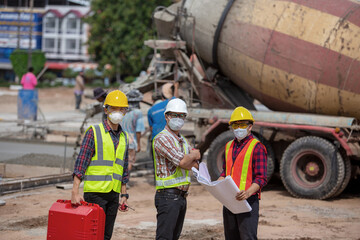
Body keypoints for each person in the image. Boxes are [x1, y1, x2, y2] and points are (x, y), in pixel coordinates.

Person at [71, 90, 130, 240]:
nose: (118, 112)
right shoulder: (94, 132)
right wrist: (75, 191)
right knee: (93, 235)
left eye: (121, 109)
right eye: (114, 108)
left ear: (125, 111)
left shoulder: (124, 137)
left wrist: (124, 194)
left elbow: (123, 168)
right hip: (95, 194)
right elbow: (81, 162)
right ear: (106, 109)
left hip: (113, 193)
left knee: (106, 236)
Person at [153, 98, 201, 240]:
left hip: (181, 197)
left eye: (181, 116)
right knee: (165, 237)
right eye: (174, 115)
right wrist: (193, 154)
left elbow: (195, 165)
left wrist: (190, 159)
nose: (178, 119)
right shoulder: (162, 139)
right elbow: (182, 162)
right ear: (167, 116)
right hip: (167, 196)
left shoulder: (183, 141)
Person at [217, 106, 268, 240]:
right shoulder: (228, 146)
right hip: (230, 201)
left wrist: (248, 192)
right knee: (230, 237)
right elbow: (225, 171)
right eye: (235, 124)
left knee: (247, 237)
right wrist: (219, 181)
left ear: (250, 127)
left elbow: (261, 178)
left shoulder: (257, 147)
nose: (238, 128)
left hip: (248, 202)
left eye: (242, 124)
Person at [121, 89, 146, 172]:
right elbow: (138, 130)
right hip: (131, 142)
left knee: (121, 163)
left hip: (120, 141)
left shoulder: (122, 111)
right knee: (129, 162)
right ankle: (125, 182)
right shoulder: (137, 113)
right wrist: (139, 144)